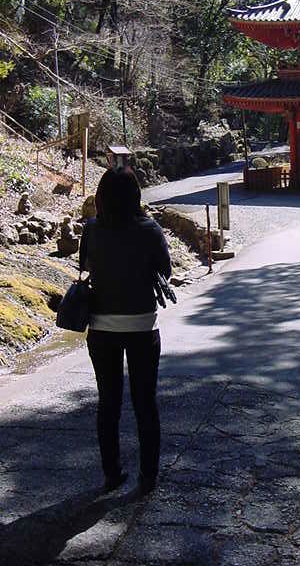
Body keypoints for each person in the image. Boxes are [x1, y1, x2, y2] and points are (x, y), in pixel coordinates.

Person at [79, 167, 171, 495]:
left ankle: (112, 473)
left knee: (109, 402)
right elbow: (165, 270)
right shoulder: (150, 229)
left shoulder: (91, 229)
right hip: (142, 324)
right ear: (136, 195)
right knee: (145, 402)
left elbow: (85, 266)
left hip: (102, 327)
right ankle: (148, 475)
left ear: (101, 197)